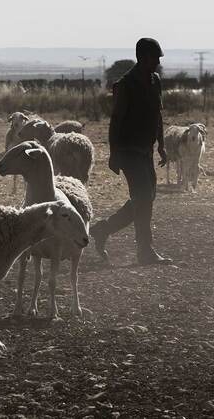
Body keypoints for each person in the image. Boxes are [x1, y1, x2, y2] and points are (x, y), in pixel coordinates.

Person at [89, 37, 172, 265]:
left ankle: (103, 229)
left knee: (146, 197)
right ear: (142, 58)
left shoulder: (155, 81)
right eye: (154, 58)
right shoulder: (125, 85)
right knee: (143, 197)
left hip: (145, 150)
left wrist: (161, 145)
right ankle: (145, 251)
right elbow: (116, 120)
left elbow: (158, 115)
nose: (157, 62)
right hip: (127, 150)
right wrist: (114, 153)